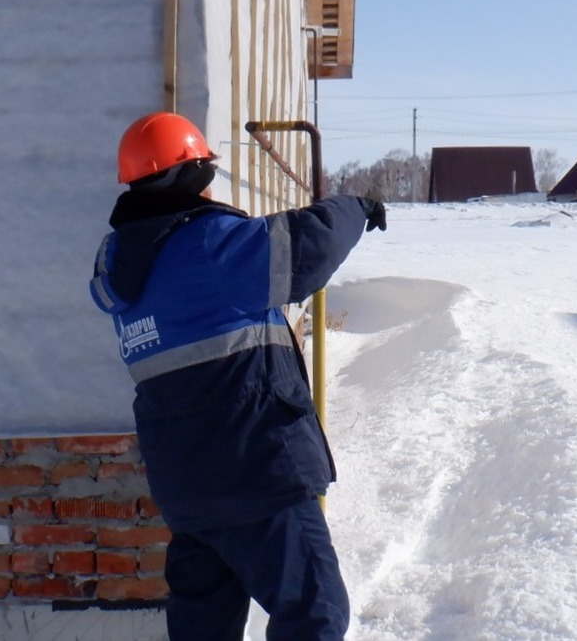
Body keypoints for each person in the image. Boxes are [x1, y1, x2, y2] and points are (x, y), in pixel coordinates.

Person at [89, 111, 385, 641]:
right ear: (194, 172)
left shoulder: (123, 266)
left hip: (188, 491)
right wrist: (354, 208)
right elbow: (308, 247)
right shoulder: (208, 246)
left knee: (204, 627)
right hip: (258, 474)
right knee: (313, 614)